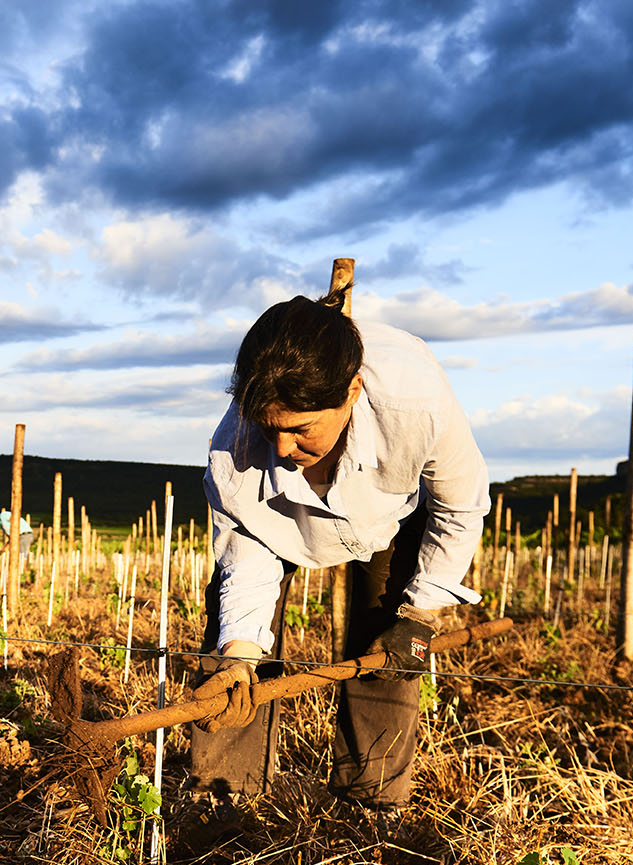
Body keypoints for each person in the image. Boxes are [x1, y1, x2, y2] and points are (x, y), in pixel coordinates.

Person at [191, 289, 489, 815]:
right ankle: (223, 799)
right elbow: (248, 554)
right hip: (277, 528)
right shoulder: (233, 452)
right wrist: (239, 654)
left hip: (391, 514)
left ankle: (372, 806)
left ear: (351, 391)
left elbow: (461, 507)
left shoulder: (415, 404)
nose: (281, 449)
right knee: (229, 651)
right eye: (269, 428)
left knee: (390, 653)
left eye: (300, 429)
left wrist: (420, 614)